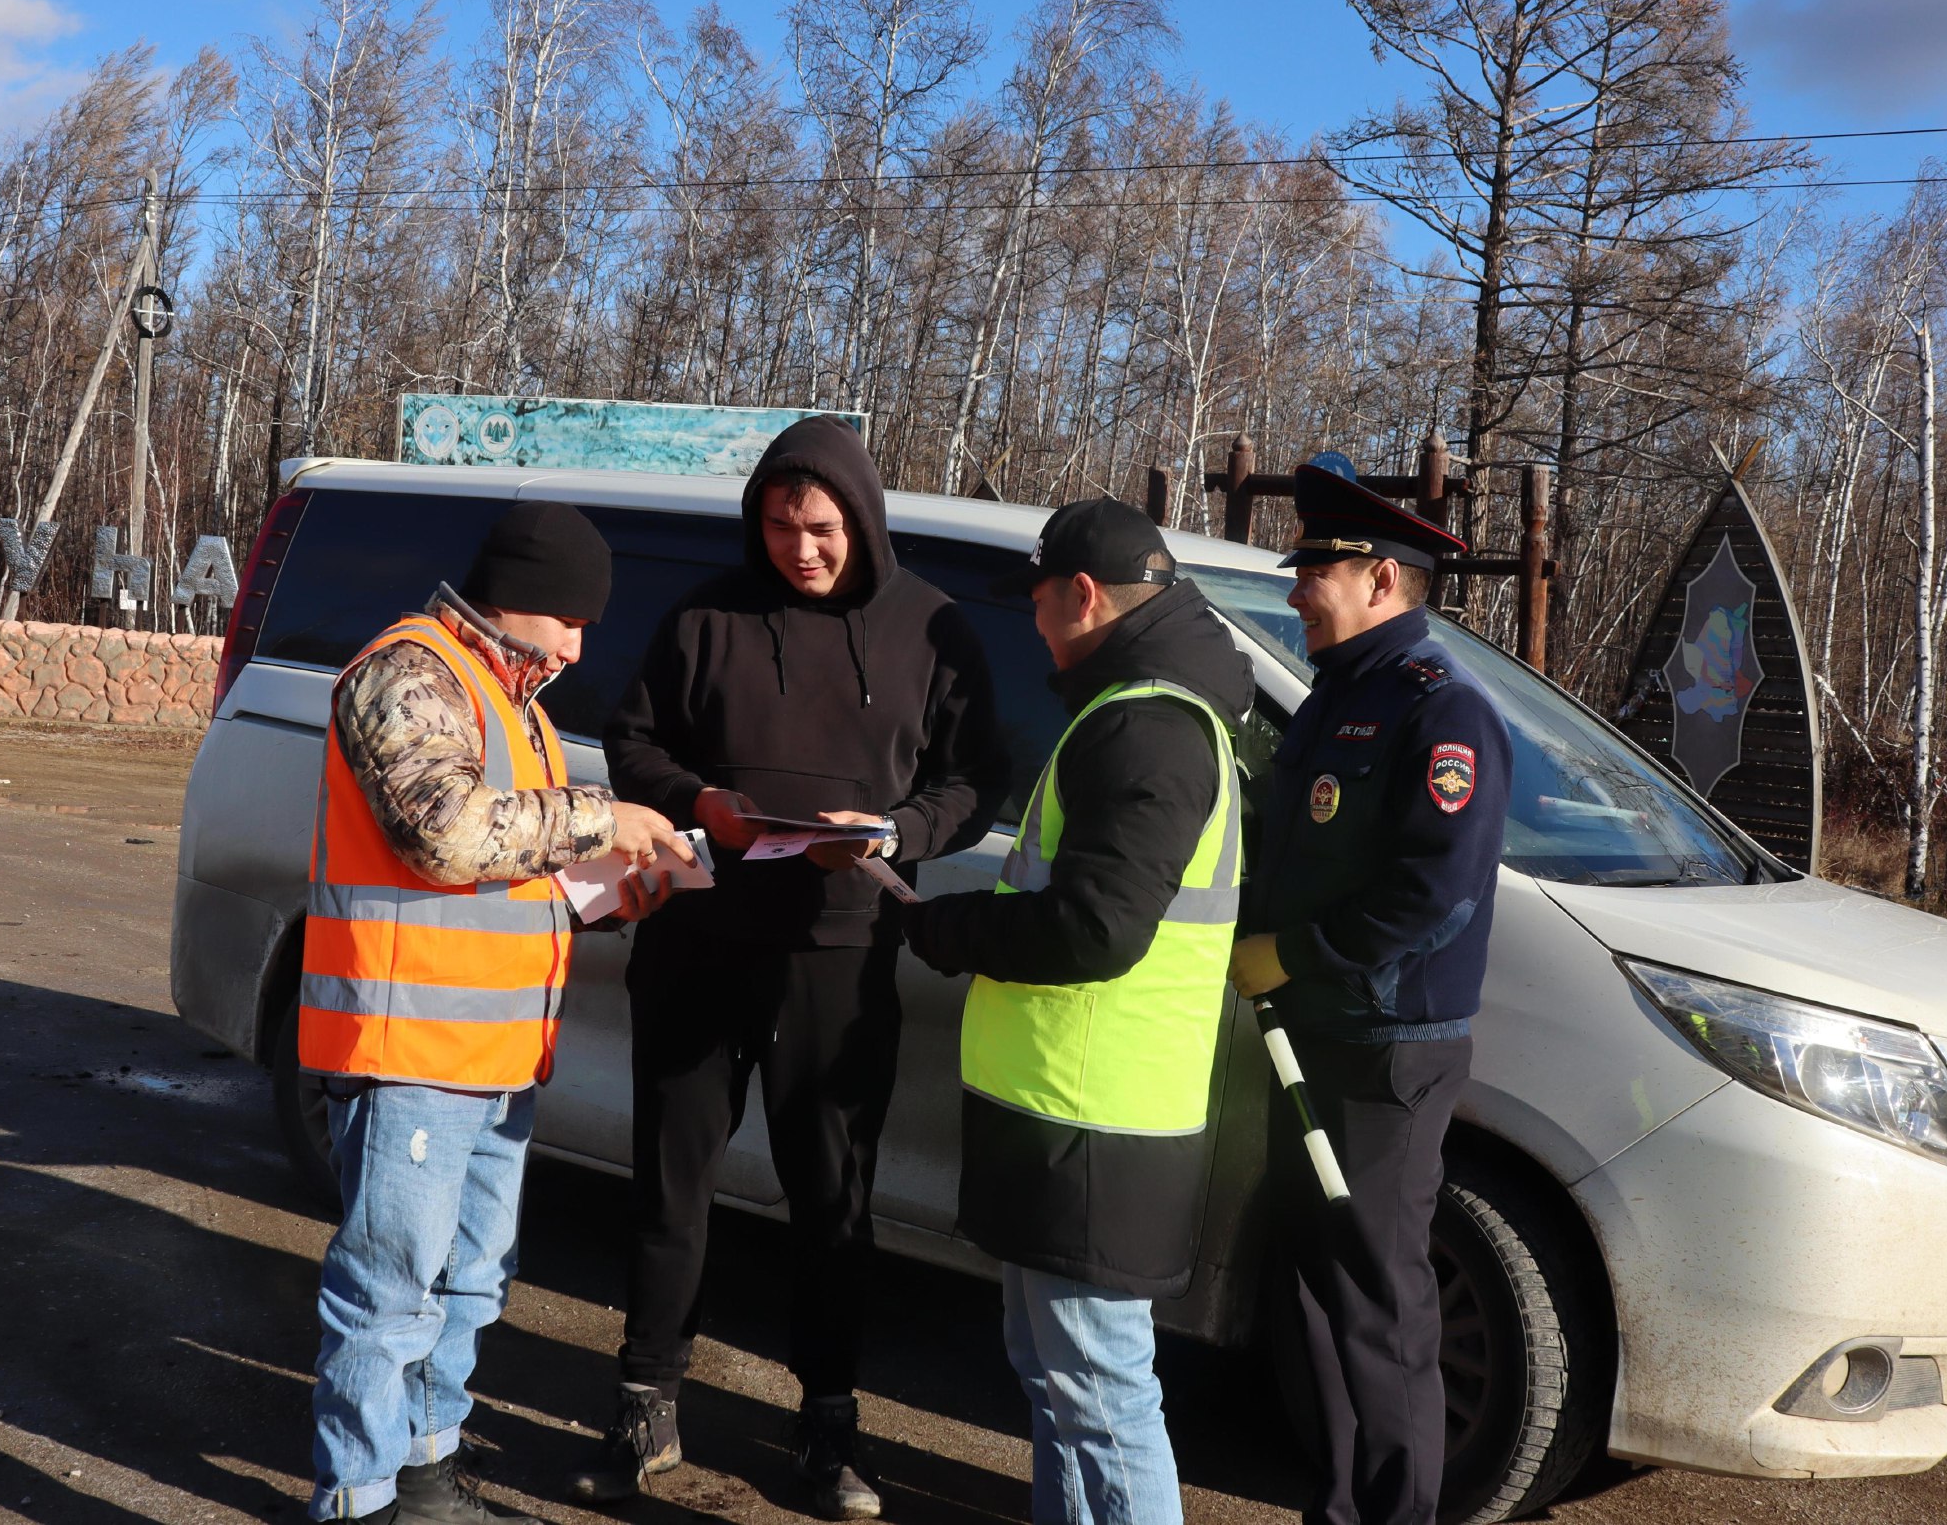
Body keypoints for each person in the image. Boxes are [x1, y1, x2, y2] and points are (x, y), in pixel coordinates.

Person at [588, 417, 1009, 1518]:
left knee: (833, 1200)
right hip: (700, 941)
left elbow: (977, 782)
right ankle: (644, 1398)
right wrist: (700, 804)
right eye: (779, 526)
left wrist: (894, 831)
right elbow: (630, 743)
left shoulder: (932, 627)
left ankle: (829, 1427)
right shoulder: (706, 616)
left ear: (860, 521)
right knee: (671, 1182)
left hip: (839, 954)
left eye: (819, 528)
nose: (800, 549)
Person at [302, 501, 689, 1525]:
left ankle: (422, 1473)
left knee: (468, 1284)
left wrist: (603, 890)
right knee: (389, 1291)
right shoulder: (409, 671)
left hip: (496, 1054)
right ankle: (360, 1499)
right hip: (412, 1050)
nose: (580, 642)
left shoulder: (510, 699)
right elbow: (445, 833)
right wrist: (608, 816)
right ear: (530, 600)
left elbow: (513, 863)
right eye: (575, 620)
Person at [900, 497, 1253, 1525]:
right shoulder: (1144, 709)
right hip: (1071, 1107)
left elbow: (1097, 929)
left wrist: (950, 930)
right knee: (1059, 1382)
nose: (1035, 624)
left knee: (1100, 1396)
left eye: (1040, 602)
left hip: (1098, 1122)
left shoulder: (1148, 725)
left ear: (1083, 594)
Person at [1228, 462, 1512, 1525]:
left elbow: (1431, 893)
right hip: (1308, 1034)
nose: (1298, 588)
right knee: (1314, 1292)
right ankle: (1339, 1507)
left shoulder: (1440, 714)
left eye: (1316, 570)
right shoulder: (1333, 701)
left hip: (1381, 1052)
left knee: (1381, 1309)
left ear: (1382, 580)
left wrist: (1295, 955)